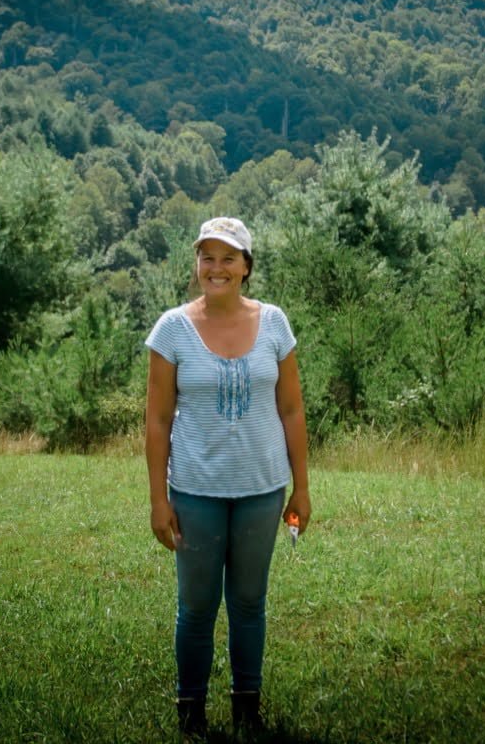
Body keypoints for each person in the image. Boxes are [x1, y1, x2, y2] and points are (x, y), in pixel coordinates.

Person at [144, 216, 311, 739]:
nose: (216, 268)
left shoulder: (276, 324)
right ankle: (190, 713)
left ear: (246, 267)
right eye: (207, 257)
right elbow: (157, 420)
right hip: (194, 492)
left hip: (263, 491)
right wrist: (157, 500)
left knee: (248, 602)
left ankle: (247, 710)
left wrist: (301, 487)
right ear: (196, 265)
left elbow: (292, 410)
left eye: (228, 258)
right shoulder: (171, 329)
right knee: (195, 607)